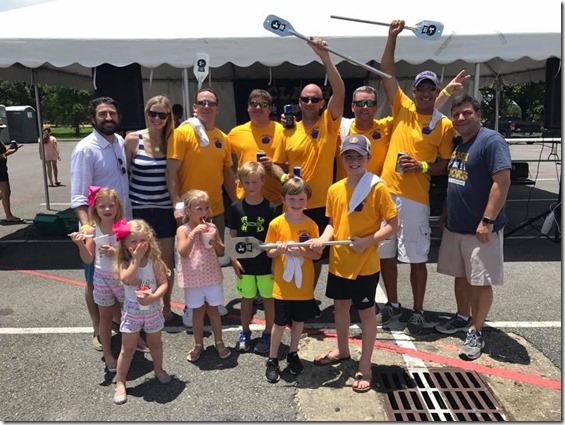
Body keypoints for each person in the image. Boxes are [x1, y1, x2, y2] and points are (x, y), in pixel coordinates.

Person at [377, 20, 456, 336]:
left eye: (430, 88)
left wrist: (421, 167)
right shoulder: (403, 107)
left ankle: (419, 311)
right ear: (413, 92)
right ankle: (394, 305)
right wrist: (391, 37)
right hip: (386, 193)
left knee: (416, 258)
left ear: (437, 92)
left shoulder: (444, 124)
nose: (425, 93)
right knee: (385, 254)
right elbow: (386, 71)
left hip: (415, 199)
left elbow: (445, 164)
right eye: (420, 88)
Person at [310, 134, 399, 392]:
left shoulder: (377, 187)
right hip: (339, 261)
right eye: (348, 156)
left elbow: (394, 224)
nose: (353, 161)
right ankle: (342, 349)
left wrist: (367, 241)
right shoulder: (334, 189)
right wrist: (322, 240)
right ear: (342, 159)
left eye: (359, 156)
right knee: (340, 306)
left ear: (368, 157)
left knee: (366, 313)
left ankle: (366, 365)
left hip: (365, 264)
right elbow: (333, 224)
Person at [435, 95, 511, 360]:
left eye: (466, 113)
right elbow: (456, 181)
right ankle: (462, 316)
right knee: (461, 276)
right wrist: (446, 212)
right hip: (457, 226)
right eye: (456, 114)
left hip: (479, 229)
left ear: (478, 115)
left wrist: (487, 221)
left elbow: (502, 182)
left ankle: (476, 330)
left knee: (480, 281)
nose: (460, 118)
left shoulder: (491, 141)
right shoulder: (461, 144)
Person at [272, 36, 345, 294]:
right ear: (299, 102)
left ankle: (308, 297)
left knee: (314, 254)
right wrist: (284, 179)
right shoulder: (287, 130)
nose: (310, 103)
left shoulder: (329, 123)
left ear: (323, 103)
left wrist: (324, 56)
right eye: (305, 99)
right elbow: (276, 164)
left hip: (322, 203)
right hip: (293, 204)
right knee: (289, 252)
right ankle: (291, 297)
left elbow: (340, 90)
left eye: (315, 99)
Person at [167, 87, 236, 320]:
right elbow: (171, 172)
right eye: (202, 103)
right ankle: (191, 306)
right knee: (189, 259)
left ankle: (215, 301)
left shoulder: (222, 138)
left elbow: (227, 174)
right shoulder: (182, 133)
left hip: (214, 209)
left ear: (218, 108)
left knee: (213, 257)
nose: (207, 106)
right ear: (195, 107)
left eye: (211, 103)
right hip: (189, 212)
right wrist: (177, 204)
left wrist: (237, 202)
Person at [71, 96, 132, 350]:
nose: (108, 118)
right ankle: (97, 328)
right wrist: (87, 227)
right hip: (97, 228)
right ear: (92, 118)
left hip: (121, 225)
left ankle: (119, 322)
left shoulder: (119, 142)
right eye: (102, 114)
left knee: (119, 276)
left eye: (112, 114)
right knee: (94, 279)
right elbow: (79, 196)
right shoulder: (85, 149)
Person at [124, 95, 180, 326]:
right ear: (146, 114)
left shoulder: (173, 139)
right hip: (140, 209)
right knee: (140, 259)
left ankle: (165, 305)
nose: (157, 118)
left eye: (162, 115)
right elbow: (124, 174)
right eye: (153, 114)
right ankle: (140, 304)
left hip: (165, 209)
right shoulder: (132, 139)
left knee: (165, 261)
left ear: (168, 117)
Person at [263, 178, 322, 383]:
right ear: (283, 199)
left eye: (301, 199)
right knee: (279, 323)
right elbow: (268, 252)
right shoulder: (276, 224)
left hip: (303, 287)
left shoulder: (311, 225)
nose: (296, 203)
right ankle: (272, 358)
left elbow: (317, 255)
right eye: (292, 199)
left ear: (307, 201)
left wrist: (303, 252)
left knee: (298, 322)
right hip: (283, 286)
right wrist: (279, 249)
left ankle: (293, 353)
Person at [113, 219, 172, 405]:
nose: (138, 245)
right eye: (133, 241)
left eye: (142, 240)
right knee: (128, 348)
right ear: (124, 244)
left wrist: (154, 297)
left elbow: (163, 283)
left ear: (149, 240)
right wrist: (136, 259)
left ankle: (159, 369)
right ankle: (120, 381)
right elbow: (127, 279)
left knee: (155, 343)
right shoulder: (125, 262)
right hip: (132, 309)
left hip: (152, 308)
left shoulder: (154, 261)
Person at [69, 187, 125, 373]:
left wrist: (115, 252)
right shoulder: (93, 231)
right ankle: (108, 353)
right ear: (95, 209)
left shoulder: (123, 227)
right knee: (105, 318)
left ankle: (132, 344)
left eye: (111, 205)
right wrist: (80, 244)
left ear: (118, 207)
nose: (107, 209)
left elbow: (131, 254)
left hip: (122, 278)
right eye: (102, 206)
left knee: (128, 314)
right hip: (101, 279)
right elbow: (88, 259)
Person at [228, 161, 277, 354]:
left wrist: (274, 263)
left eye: (255, 182)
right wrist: (233, 259)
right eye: (246, 182)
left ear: (263, 181)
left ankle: (268, 332)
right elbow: (233, 235)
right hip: (245, 263)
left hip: (265, 263)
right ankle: (245, 331)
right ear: (240, 183)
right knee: (246, 297)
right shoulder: (236, 207)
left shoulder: (271, 208)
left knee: (268, 298)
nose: (251, 186)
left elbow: (274, 238)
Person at [177, 189, 231, 362]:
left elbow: (222, 251)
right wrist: (194, 234)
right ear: (188, 211)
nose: (204, 212)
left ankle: (219, 341)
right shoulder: (183, 230)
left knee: (213, 310)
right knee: (198, 312)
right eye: (199, 208)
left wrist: (215, 242)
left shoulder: (212, 227)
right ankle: (198, 344)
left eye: (206, 208)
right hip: (193, 279)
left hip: (211, 276)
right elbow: (183, 252)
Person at [228, 89, 285, 211]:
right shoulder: (236, 133)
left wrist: (274, 165)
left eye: (263, 104)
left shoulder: (282, 131)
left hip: (275, 200)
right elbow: (221, 160)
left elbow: (292, 161)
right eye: (254, 104)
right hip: (245, 199)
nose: (258, 107)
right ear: (248, 108)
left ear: (270, 109)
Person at [0, 135, 23, 224]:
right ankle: (9, 216)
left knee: (5, 192)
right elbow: (2, 155)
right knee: (5, 191)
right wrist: (7, 153)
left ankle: (9, 215)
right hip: (0, 170)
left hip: (2, 168)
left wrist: (9, 150)